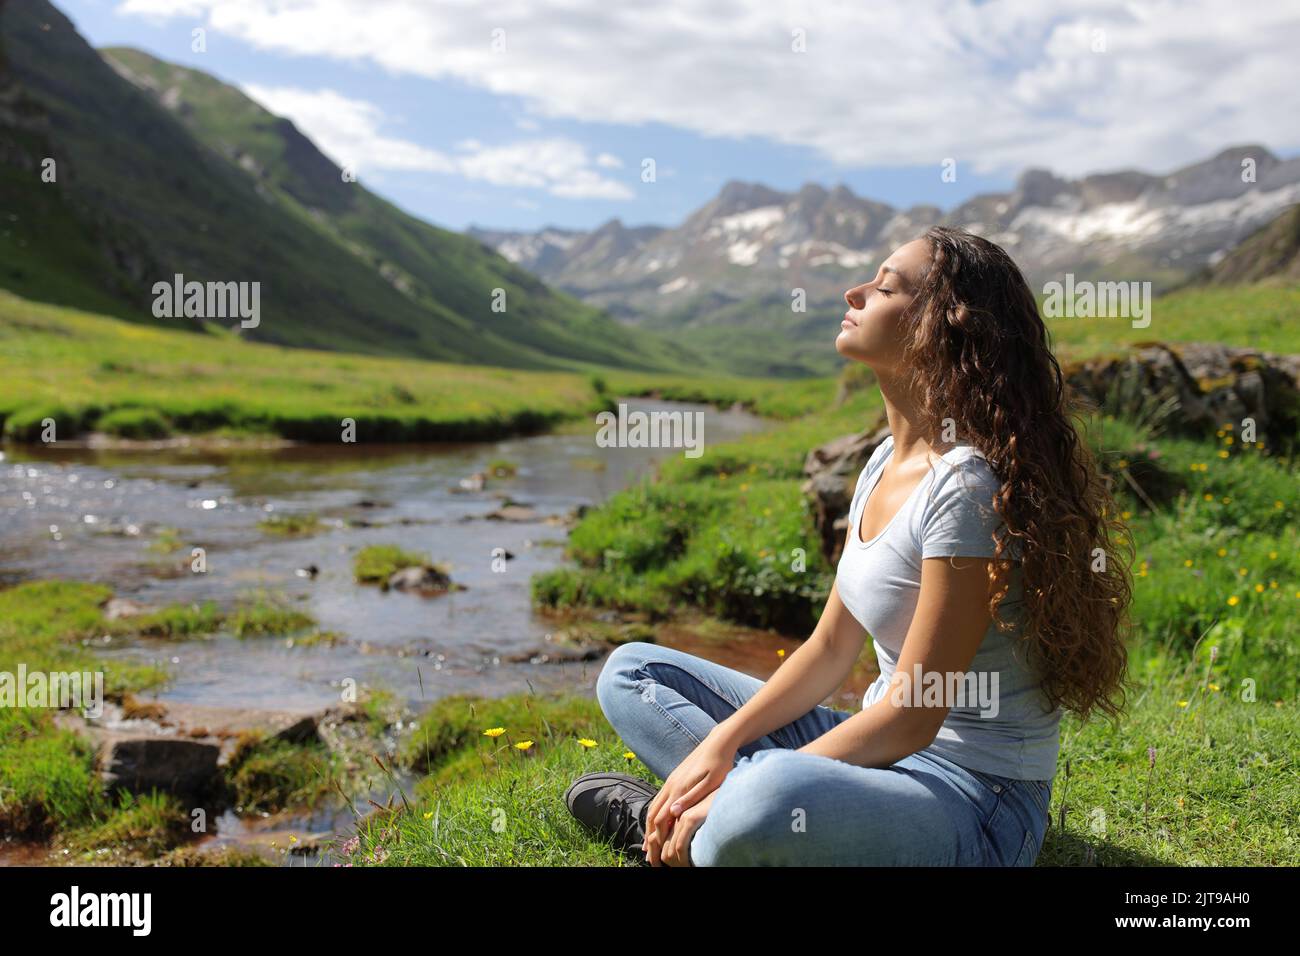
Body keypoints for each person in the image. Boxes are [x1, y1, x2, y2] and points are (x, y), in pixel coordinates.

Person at [565, 226, 1134, 866]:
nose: (854, 292)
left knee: (769, 796)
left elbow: (912, 717)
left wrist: (745, 780)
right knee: (631, 672)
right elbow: (831, 648)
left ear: (940, 326)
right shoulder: (883, 461)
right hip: (880, 758)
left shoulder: (966, 486)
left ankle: (684, 824)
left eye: (886, 286)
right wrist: (721, 744)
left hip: (975, 797)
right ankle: (718, 826)